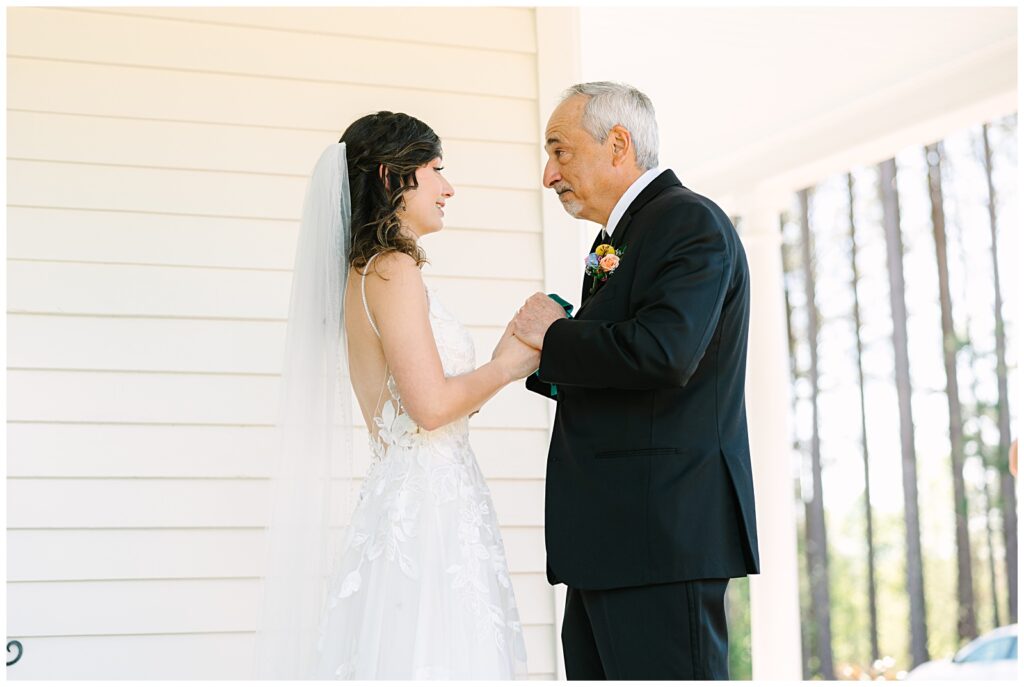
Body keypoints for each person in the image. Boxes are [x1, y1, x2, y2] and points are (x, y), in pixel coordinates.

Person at [253, 112, 536, 679]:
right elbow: (431, 410)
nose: (448, 187)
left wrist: (508, 351)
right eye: (436, 170)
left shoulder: (366, 271)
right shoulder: (393, 268)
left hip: (417, 495)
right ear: (392, 175)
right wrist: (507, 368)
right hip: (427, 509)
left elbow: (428, 402)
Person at [511, 82, 760, 680]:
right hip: (616, 539)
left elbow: (666, 353)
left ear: (618, 143)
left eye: (559, 151)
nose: (549, 175)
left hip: (660, 536)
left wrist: (558, 337)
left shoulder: (688, 223)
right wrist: (540, 361)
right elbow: (629, 371)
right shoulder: (623, 237)